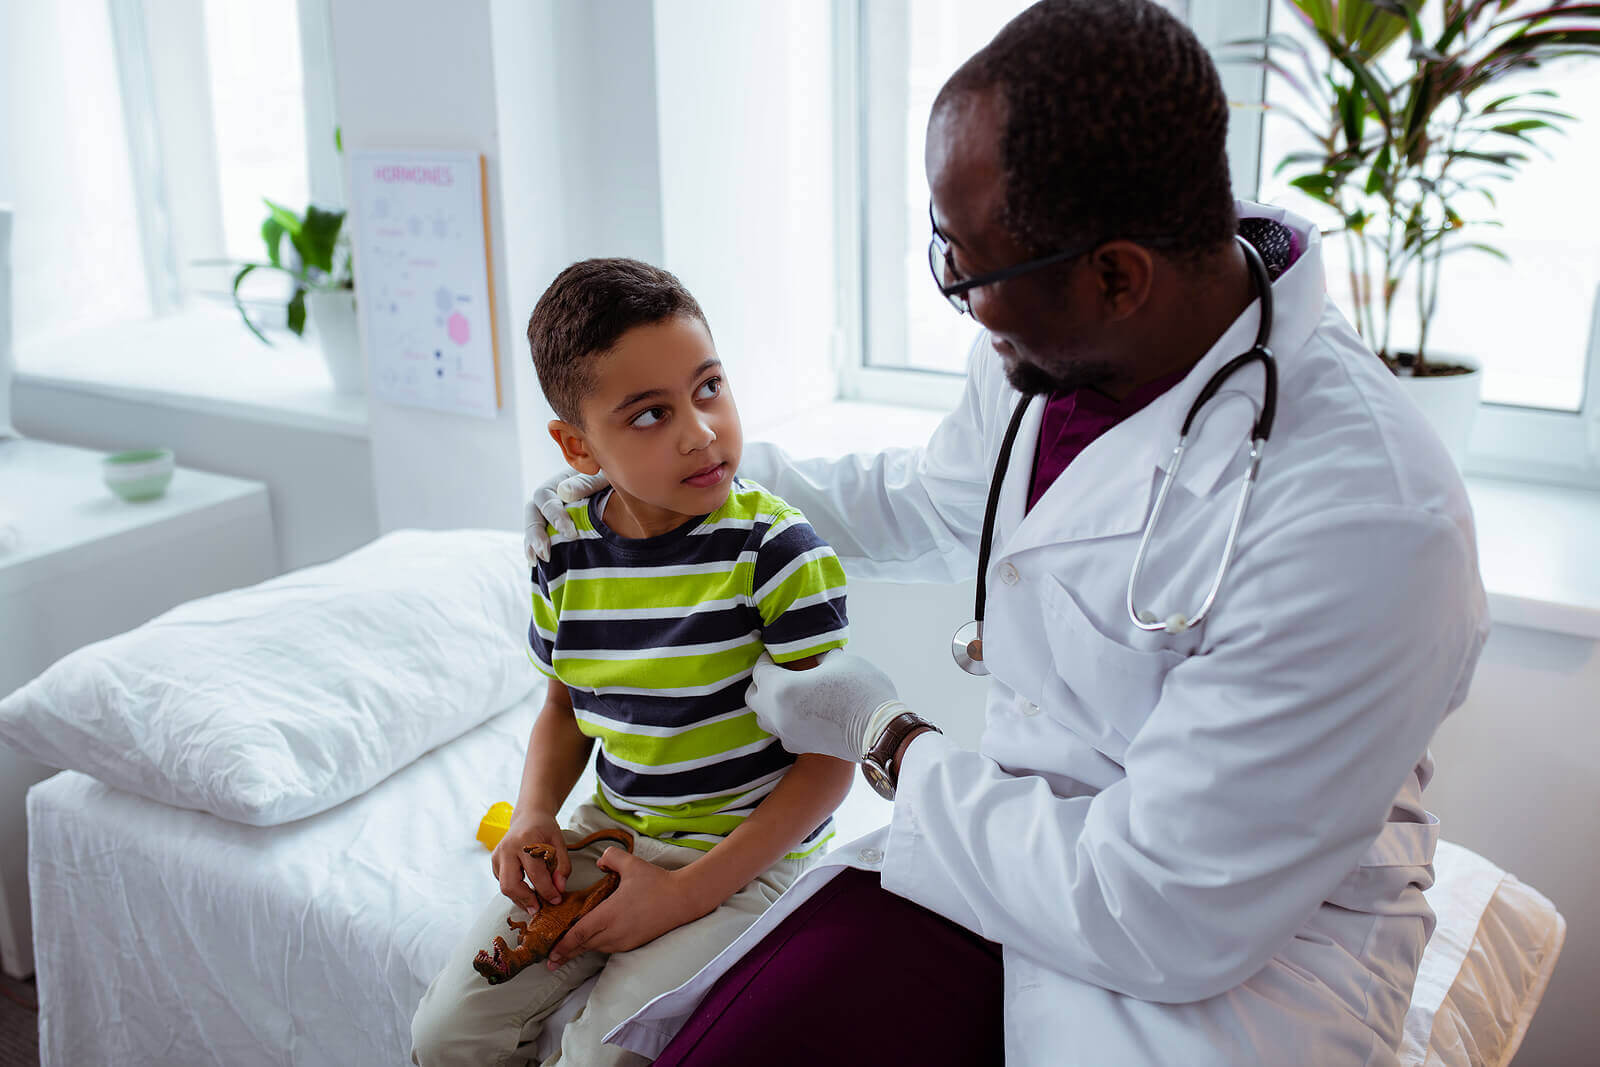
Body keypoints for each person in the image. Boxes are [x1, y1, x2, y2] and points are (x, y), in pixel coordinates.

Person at [525, 2, 1491, 1065]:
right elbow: (942, 499)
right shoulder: (1054, 340)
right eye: (949, 251)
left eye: (975, 274)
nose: (966, 303)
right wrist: (677, 477)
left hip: (1240, 950)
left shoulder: (1371, 518)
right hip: (1001, 844)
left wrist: (886, 736)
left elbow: (1156, 908)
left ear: (1117, 274)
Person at [412, 258, 855, 1066]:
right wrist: (538, 813)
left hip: (743, 851)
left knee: (606, 1055)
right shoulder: (564, 547)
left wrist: (687, 891)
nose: (701, 430)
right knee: (445, 1036)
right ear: (578, 445)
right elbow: (563, 705)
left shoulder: (779, 555)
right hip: (611, 827)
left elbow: (830, 764)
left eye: (709, 387)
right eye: (650, 414)